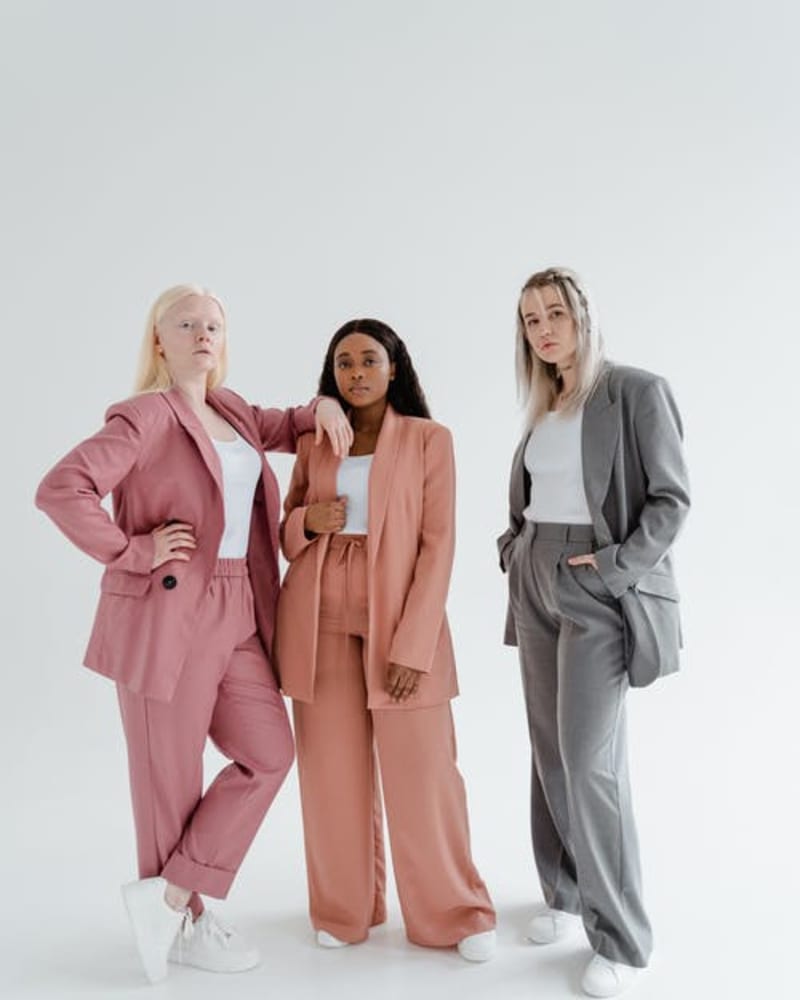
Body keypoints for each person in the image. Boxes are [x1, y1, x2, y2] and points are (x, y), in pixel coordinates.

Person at [35, 284, 352, 985]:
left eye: (213, 324)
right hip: (168, 612)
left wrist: (321, 404)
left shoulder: (232, 411)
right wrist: (134, 551)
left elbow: (285, 423)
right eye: (186, 323)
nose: (202, 333)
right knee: (169, 783)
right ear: (159, 340)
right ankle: (187, 924)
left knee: (268, 754)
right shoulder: (147, 417)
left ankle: (171, 899)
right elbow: (63, 488)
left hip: (241, 604)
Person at [273, 318, 497, 962]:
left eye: (369, 359)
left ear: (394, 366)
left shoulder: (430, 439)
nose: (356, 373)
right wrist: (306, 523)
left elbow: (439, 544)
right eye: (343, 363)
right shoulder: (319, 441)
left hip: (400, 615)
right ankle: (344, 910)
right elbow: (287, 533)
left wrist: (412, 647)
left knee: (424, 774)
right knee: (330, 775)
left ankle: (454, 913)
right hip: (318, 614)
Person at [497, 267, 690, 998]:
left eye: (555, 313)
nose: (543, 329)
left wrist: (613, 569)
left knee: (591, 760)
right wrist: (514, 551)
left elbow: (671, 499)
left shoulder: (634, 391)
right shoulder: (544, 406)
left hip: (597, 580)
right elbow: (535, 496)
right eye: (529, 319)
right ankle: (567, 893)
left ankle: (625, 941)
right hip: (535, 575)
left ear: (584, 315)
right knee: (550, 749)